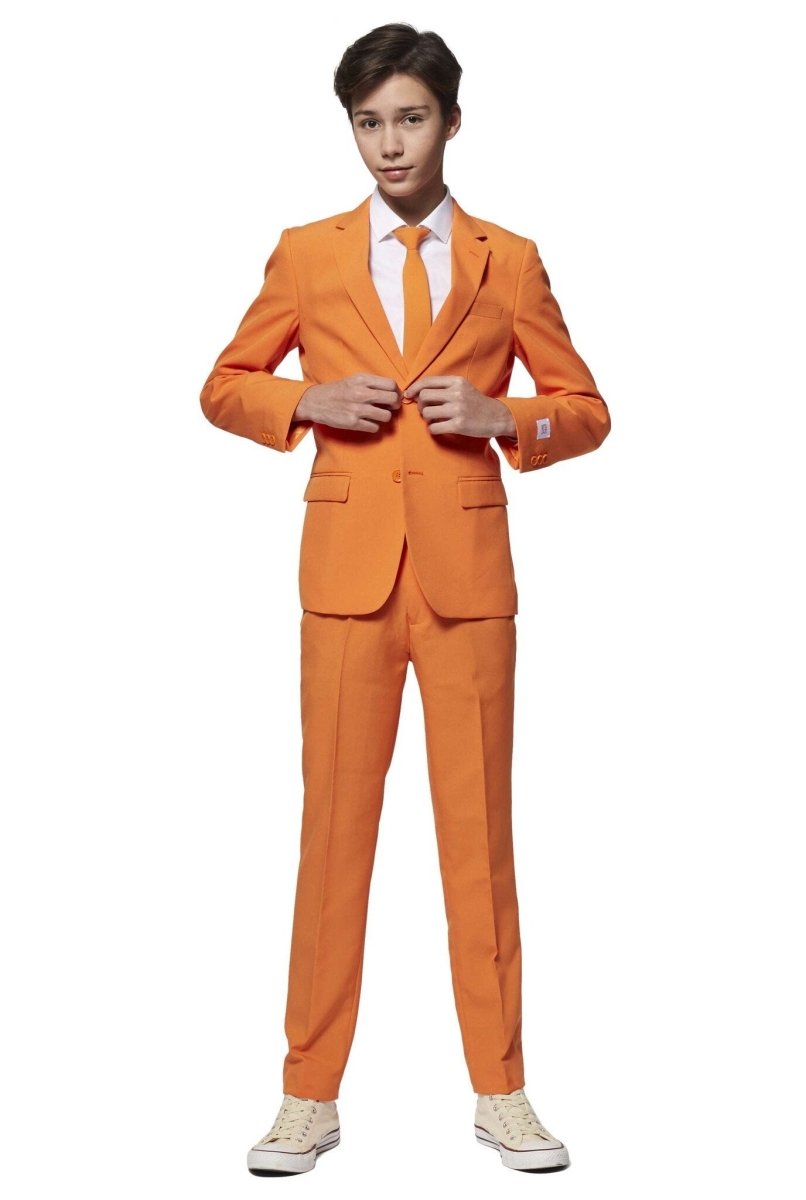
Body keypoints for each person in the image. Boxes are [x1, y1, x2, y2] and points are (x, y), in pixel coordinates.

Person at [199, 22, 610, 1176]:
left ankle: (501, 1091)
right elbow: (222, 384)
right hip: (344, 586)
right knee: (332, 839)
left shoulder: (506, 260)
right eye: (368, 123)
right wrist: (304, 400)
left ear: (450, 122)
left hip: (467, 586)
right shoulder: (307, 254)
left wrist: (504, 418)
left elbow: (585, 409)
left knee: (479, 844)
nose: (389, 144)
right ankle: (306, 1096)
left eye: (410, 119)